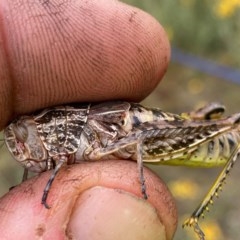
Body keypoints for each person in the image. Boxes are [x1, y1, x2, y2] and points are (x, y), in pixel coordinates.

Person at [0, 0, 177, 239]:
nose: (21, 147)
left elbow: (136, 140)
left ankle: (223, 127)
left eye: (25, 134)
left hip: (149, 129)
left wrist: (142, 185)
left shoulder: (80, 138)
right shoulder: (55, 143)